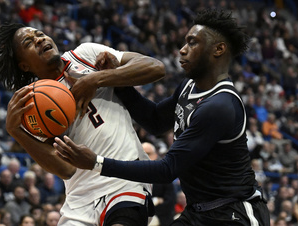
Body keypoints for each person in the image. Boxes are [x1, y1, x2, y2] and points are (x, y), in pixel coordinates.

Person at [53, 9, 270, 225]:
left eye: (192, 43)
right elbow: (155, 121)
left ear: (218, 49)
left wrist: (96, 162)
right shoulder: (189, 86)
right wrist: (111, 79)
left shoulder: (220, 105)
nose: (183, 50)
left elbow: (167, 169)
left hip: (234, 212)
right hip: (199, 211)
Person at [0, 22, 165, 225]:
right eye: (29, 42)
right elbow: (65, 170)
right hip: (80, 199)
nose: (40, 39)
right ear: (24, 65)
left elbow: (155, 67)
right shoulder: (32, 106)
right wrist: (15, 131)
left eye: (40, 34)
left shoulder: (85, 54)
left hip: (125, 180)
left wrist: (97, 79)